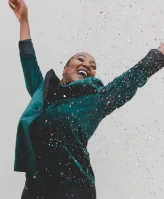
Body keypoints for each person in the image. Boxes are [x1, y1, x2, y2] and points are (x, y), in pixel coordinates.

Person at [9, 0, 164, 198]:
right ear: (66, 68)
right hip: (35, 190)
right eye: (80, 59)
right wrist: (24, 21)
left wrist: (160, 54)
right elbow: (28, 62)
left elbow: (131, 79)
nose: (87, 65)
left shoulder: (97, 100)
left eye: (93, 65)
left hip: (74, 190)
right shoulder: (43, 96)